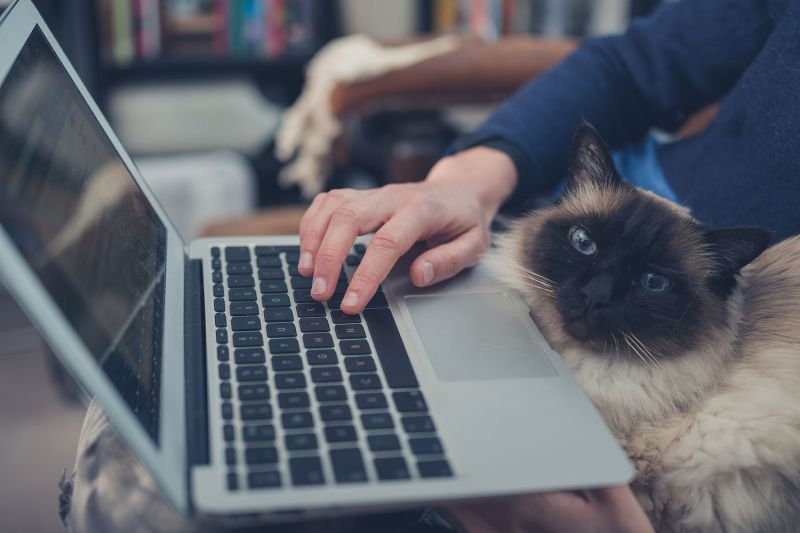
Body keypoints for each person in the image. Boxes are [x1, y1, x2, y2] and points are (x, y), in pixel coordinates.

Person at [296, 0, 798, 529]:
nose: (597, 295)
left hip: (721, 281)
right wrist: (462, 180)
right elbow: (636, 64)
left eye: (648, 284)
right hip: (631, 191)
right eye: (584, 247)